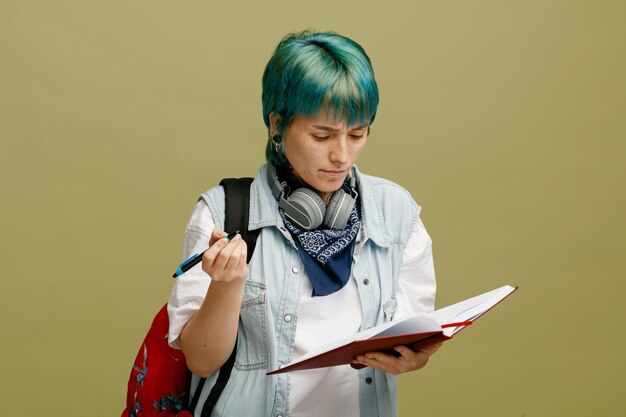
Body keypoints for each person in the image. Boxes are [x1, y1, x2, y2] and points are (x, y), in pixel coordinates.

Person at [167, 30, 440, 417]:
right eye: (322, 135)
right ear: (277, 124)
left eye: (357, 134)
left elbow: (411, 337)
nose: (342, 155)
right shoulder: (225, 214)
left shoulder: (397, 214)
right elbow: (201, 362)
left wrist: (415, 359)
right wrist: (226, 286)